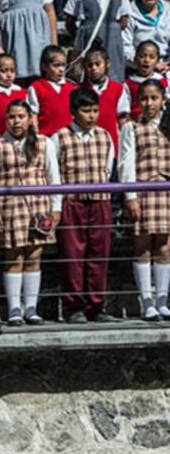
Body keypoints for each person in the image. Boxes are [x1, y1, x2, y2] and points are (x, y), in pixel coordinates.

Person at [0, 99, 61, 326]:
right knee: (14, 256)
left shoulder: (44, 143)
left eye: (21, 117)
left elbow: (53, 176)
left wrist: (56, 207)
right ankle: (14, 308)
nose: (16, 122)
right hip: (10, 206)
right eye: (11, 117)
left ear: (29, 119)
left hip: (38, 206)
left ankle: (31, 307)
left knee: (34, 256)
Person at [53, 88, 116, 324]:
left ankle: (96, 305)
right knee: (72, 255)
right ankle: (74, 306)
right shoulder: (60, 137)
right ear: (73, 112)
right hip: (73, 201)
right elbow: (55, 172)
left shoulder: (105, 136)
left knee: (99, 254)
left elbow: (108, 169)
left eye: (95, 111)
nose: (91, 116)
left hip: (100, 201)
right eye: (86, 111)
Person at [119, 78, 170, 320]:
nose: (149, 103)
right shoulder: (132, 127)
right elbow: (126, 163)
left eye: (154, 98)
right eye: (144, 98)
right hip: (144, 189)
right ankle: (146, 300)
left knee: (164, 246)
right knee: (142, 245)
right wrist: (131, 195)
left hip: (166, 190)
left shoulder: (168, 125)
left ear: (163, 100)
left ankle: (162, 300)